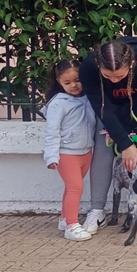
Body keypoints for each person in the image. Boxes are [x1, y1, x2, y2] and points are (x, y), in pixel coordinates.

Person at [80, 37, 137, 235]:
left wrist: (131, 136)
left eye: (119, 76)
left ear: (131, 64)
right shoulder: (88, 68)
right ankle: (97, 210)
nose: (114, 81)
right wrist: (124, 143)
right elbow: (101, 108)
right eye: (107, 76)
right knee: (103, 147)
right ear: (98, 65)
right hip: (108, 107)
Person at [41, 59, 94, 241]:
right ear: (58, 81)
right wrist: (51, 156)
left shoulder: (89, 98)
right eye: (67, 82)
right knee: (75, 188)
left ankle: (64, 218)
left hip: (86, 151)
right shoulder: (58, 103)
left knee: (71, 188)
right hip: (66, 153)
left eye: (77, 80)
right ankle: (72, 225)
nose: (73, 85)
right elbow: (52, 131)